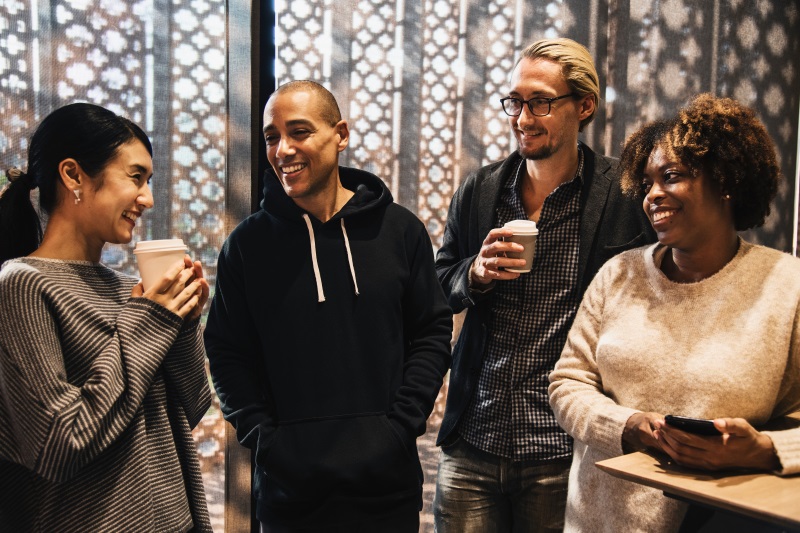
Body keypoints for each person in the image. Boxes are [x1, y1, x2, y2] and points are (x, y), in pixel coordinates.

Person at [204, 80, 452, 532]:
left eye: (299, 132)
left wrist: (399, 426)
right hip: (289, 494)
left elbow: (431, 331)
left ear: (340, 134)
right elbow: (225, 350)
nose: (283, 149)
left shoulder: (400, 231)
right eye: (272, 137)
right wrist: (265, 439)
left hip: (386, 488)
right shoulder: (247, 246)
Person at [548, 93, 800, 532]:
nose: (652, 196)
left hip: (720, 521)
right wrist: (627, 425)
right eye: (646, 183)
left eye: (671, 177)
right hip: (596, 520)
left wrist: (764, 450)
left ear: (726, 181)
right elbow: (567, 383)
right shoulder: (619, 275)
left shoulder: (786, 286)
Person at [433, 37, 655, 532]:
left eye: (540, 101)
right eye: (515, 101)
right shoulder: (481, 190)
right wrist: (476, 272)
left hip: (561, 447)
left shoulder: (622, 195)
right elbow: (437, 282)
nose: (522, 116)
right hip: (474, 437)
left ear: (584, 106)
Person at [0, 103, 212, 531]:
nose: (148, 198)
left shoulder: (125, 289)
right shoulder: (21, 285)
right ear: (73, 175)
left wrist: (183, 322)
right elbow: (60, 442)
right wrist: (151, 320)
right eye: (136, 177)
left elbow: (187, 410)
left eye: (149, 181)